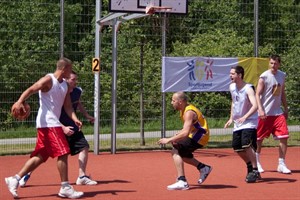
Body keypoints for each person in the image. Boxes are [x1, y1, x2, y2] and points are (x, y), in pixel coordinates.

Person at [5, 58, 84, 199]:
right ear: (64, 68)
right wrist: (19, 101)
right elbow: (31, 89)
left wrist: (75, 118)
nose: (71, 72)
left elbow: (67, 106)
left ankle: (15, 179)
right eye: (70, 69)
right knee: (63, 151)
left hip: (49, 124)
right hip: (48, 123)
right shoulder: (49, 80)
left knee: (41, 156)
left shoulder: (65, 85)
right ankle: (65, 187)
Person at [19, 71, 97, 187]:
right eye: (73, 80)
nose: (75, 82)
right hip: (57, 127)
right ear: (66, 80)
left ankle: (81, 176)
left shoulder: (77, 91)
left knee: (84, 146)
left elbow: (77, 103)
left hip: (71, 126)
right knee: (43, 155)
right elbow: (52, 113)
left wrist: (86, 115)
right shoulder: (59, 92)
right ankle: (25, 175)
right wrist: (62, 127)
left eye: (76, 79)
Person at [158, 91, 212, 190]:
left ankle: (182, 181)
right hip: (195, 134)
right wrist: (177, 135)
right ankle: (203, 167)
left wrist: (168, 140)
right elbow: (187, 128)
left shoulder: (188, 112)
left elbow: (186, 132)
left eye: (173, 100)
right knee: (182, 154)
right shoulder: (184, 110)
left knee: (175, 150)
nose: (171, 102)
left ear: (180, 101)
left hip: (199, 136)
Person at [224, 66, 260, 183]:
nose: (230, 76)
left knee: (246, 144)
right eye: (230, 74)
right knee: (237, 147)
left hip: (250, 121)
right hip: (238, 122)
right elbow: (234, 103)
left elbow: (255, 105)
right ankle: (249, 165)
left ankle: (255, 169)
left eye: (233, 74)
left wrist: (245, 116)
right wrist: (231, 118)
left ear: (239, 75)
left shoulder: (248, 88)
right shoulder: (232, 87)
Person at [255, 55, 291, 174]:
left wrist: (285, 108)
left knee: (284, 137)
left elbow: (282, 92)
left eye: (275, 63)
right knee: (259, 139)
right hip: (265, 113)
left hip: (278, 113)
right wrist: (260, 109)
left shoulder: (282, 75)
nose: (273, 66)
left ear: (279, 64)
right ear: (268, 63)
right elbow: (257, 94)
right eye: (271, 63)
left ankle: (281, 163)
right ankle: (257, 162)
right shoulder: (264, 77)